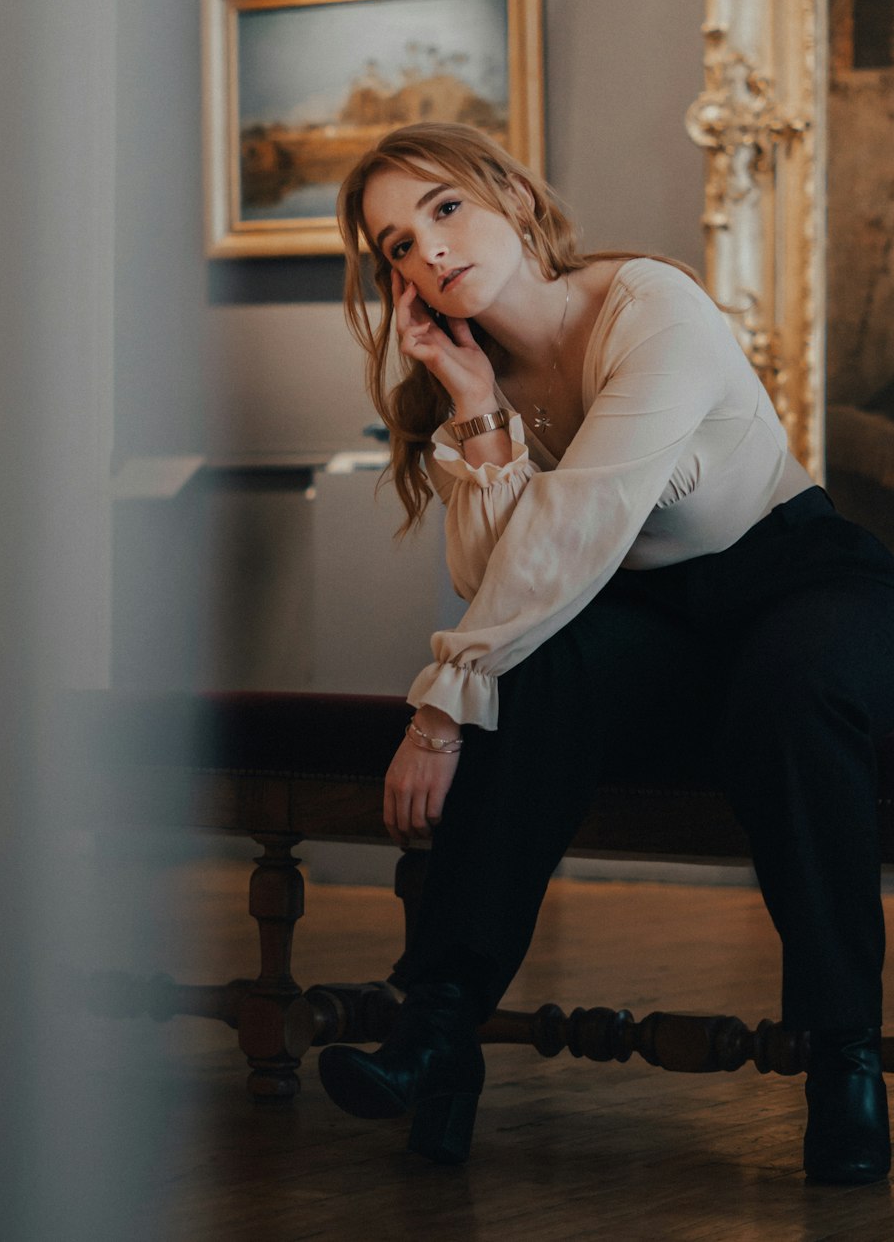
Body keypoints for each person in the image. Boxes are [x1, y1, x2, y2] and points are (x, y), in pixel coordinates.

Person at [317, 122, 894, 1181]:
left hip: (797, 579)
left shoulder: (649, 308)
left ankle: (843, 1056)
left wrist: (439, 710)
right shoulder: (474, 368)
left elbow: (573, 531)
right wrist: (477, 405)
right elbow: (497, 578)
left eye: (444, 208)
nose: (428, 250)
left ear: (513, 198)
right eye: (396, 244)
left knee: (794, 695)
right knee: (536, 668)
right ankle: (432, 1025)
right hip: (657, 617)